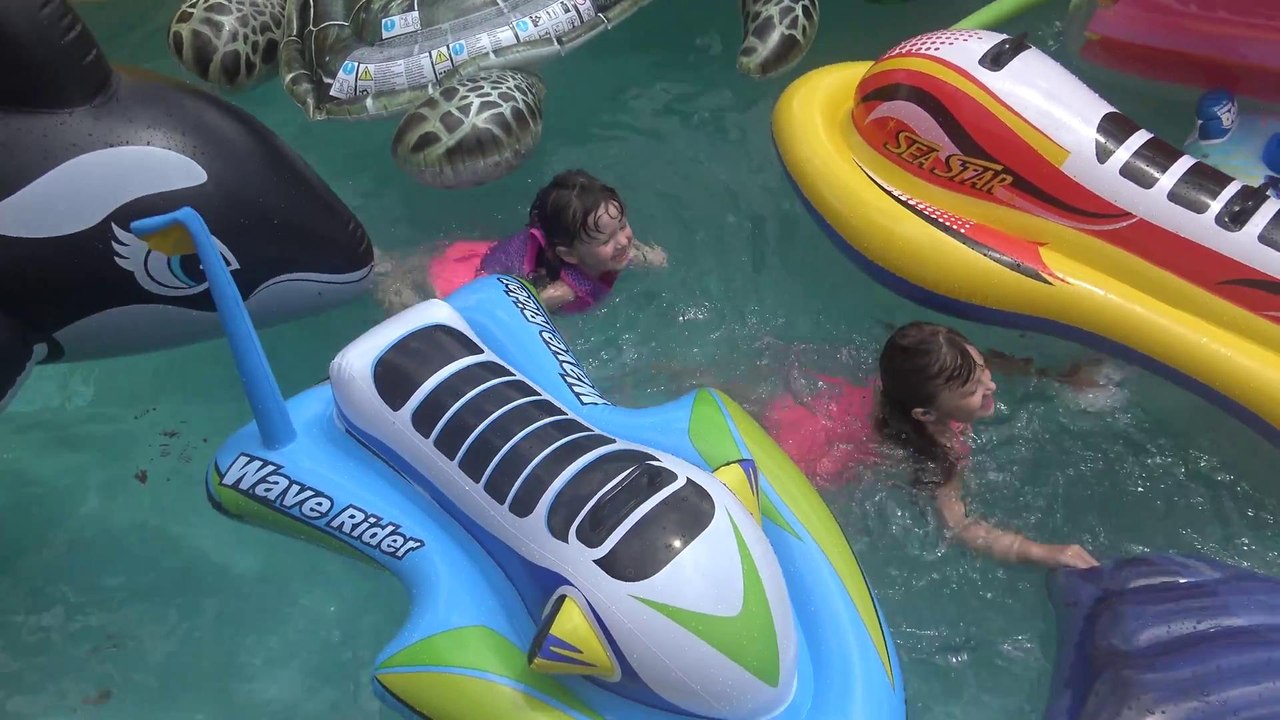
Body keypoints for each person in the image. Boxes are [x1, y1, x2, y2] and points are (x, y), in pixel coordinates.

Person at [763, 322, 1101, 569]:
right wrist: (1045, 553)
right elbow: (959, 526)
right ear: (925, 414)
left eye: (982, 371)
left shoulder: (916, 378)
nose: (991, 385)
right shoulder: (940, 452)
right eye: (973, 391)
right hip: (807, 456)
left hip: (809, 406)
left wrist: (1056, 377)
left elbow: (984, 365)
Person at [372, 169, 667, 315]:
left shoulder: (603, 249)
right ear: (571, 255)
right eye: (606, 238)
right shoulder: (564, 290)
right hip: (464, 280)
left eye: (623, 225)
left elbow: (623, 248)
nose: (623, 241)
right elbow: (524, 310)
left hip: (491, 255)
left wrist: (645, 258)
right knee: (403, 294)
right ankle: (382, 271)